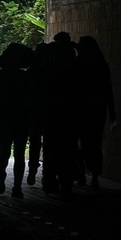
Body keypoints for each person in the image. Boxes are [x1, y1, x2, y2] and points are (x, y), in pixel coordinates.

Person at [0, 42, 33, 199]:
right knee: (19, 154)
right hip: (21, 120)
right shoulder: (25, 77)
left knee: (3, 151)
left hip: (4, 119)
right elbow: (30, 101)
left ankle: (0, 177)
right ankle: (17, 187)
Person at [40, 31, 80, 198]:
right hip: (70, 114)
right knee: (69, 149)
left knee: (51, 149)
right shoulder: (75, 65)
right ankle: (66, 182)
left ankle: (50, 181)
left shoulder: (49, 66)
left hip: (51, 115)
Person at [75, 35, 118, 191]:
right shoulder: (101, 65)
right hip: (97, 110)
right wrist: (112, 110)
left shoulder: (78, 65)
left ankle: (80, 169)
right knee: (95, 142)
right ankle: (94, 176)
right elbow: (108, 90)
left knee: (79, 141)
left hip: (80, 108)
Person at [26, 41, 48, 186]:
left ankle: (33, 171)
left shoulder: (30, 72)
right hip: (49, 113)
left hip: (33, 113)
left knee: (34, 142)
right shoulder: (52, 71)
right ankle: (47, 173)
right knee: (49, 143)